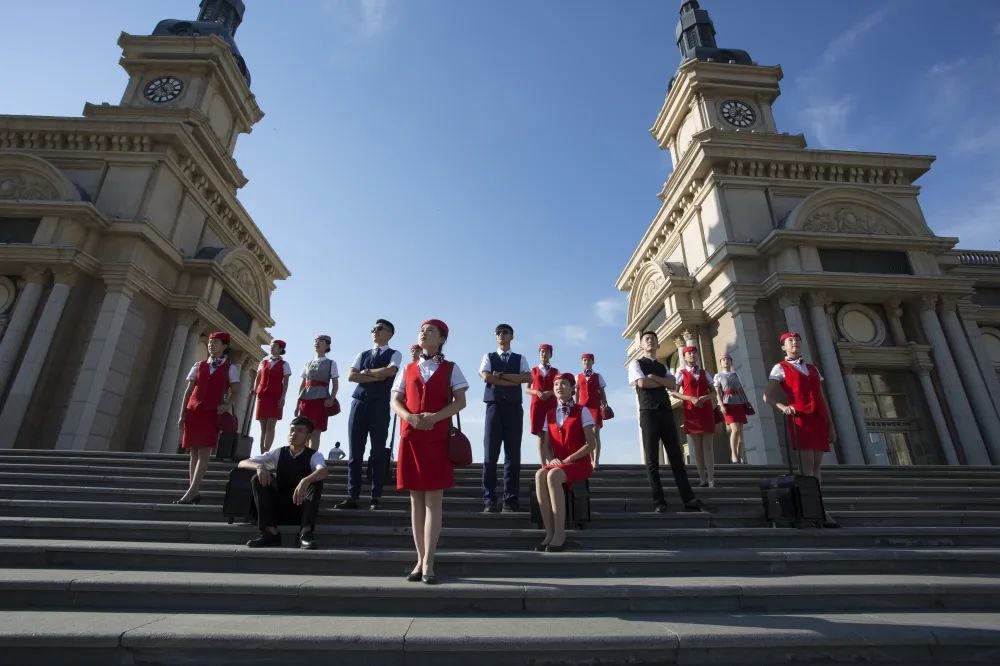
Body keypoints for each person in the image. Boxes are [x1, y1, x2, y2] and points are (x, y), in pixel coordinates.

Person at [392, 319, 468, 584]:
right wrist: (409, 418)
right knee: (416, 501)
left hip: (437, 438)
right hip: (411, 437)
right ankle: (418, 558)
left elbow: (461, 401)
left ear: (442, 339)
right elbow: (396, 400)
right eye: (421, 330)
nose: (424, 333)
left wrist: (435, 417)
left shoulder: (451, 368)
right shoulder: (408, 367)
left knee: (433, 501)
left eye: (430, 330)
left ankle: (429, 561)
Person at [627, 330, 712, 514]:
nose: (650, 341)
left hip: (665, 412)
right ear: (641, 345)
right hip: (649, 413)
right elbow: (642, 384)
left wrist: (656, 379)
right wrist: (663, 382)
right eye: (646, 339)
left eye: (653, 339)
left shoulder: (662, 367)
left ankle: (688, 499)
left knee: (676, 456)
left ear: (657, 344)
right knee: (652, 460)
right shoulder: (636, 364)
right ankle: (659, 501)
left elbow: (673, 384)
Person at [764, 332, 839, 528]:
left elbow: (822, 398)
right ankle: (811, 510)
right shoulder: (780, 368)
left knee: (816, 468)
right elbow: (767, 396)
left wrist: (831, 425)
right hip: (800, 418)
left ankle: (818, 509)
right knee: (806, 468)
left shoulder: (812, 368)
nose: (795, 343)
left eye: (797, 340)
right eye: (790, 341)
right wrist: (783, 407)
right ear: (783, 347)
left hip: (818, 418)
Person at [339, 319, 402, 511]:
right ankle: (353, 495)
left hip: (380, 405)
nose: (375, 331)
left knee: (377, 453)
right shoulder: (363, 353)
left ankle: (375, 496)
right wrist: (376, 375)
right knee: (354, 453)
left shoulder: (395, 354)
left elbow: (390, 371)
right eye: (373, 329)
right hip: (359, 403)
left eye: (380, 329)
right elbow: (351, 376)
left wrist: (366, 373)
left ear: (390, 333)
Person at [239, 416, 329, 549]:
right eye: (292, 430)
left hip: (300, 510)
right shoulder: (279, 452)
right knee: (258, 478)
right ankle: (270, 533)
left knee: (316, 481)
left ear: (308, 436)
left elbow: (324, 471)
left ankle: (305, 534)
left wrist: (306, 480)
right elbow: (242, 463)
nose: (294, 434)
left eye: (299, 431)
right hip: (278, 508)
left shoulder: (314, 455)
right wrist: (259, 467)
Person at [175, 331, 240, 504]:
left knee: (204, 452)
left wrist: (227, 405)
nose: (211, 345)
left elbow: (236, 391)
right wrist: (182, 415)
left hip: (213, 412)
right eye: (210, 342)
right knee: (193, 452)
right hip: (194, 411)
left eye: (216, 342)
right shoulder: (198, 365)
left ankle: (192, 491)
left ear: (224, 346)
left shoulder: (231, 368)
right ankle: (193, 490)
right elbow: (188, 392)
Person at [534, 373, 596, 552]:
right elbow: (545, 445)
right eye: (556, 385)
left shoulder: (581, 410)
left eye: (563, 384)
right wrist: (550, 458)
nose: (559, 387)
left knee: (553, 475)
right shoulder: (550, 413)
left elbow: (590, 443)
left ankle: (560, 534)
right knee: (539, 474)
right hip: (559, 463)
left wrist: (569, 458)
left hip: (579, 463)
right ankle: (549, 533)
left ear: (572, 388)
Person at [479, 323, 532, 513]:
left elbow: (527, 378)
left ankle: (510, 500)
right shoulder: (488, 356)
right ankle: (489, 499)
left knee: (512, 455)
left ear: (512, 336)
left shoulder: (520, 358)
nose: (502, 335)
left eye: (505, 332)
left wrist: (500, 375)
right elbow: (486, 378)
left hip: (513, 408)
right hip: (494, 408)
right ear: (495, 337)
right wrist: (512, 379)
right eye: (499, 333)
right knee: (490, 455)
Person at [670, 345, 717, 487]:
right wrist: (690, 398)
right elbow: (674, 392)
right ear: (684, 357)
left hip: (706, 410)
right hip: (691, 412)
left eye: (694, 353)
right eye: (689, 353)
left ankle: (711, 479)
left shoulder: (704, 373)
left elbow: (714, 391)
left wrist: (706, 397)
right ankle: (702, 478)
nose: (692, 355)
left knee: (708, 446)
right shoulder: (681, 373)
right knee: (697, 448)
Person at [295, 335, 339, 451]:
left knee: (315, 432)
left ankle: (311, 459)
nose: (317, 343)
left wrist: (332, 399)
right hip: (305, 400)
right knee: (303, 431)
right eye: (315, 341)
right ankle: (301, 459)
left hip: (321, 400)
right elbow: (302, 385)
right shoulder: (307, 364)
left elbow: (335, 384)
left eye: (320, 341)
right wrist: (297, 404)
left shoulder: (331, 363)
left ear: (327, 345)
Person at [253, 339, 291, 454]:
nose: (272, 348)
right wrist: (255, 390)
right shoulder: (263, 362)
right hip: (262, 396)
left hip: (275, 396)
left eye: (274, 346)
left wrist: (283, 397)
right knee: (263, 427)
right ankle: (261, 452)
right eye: (271, 346)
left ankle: (266, 452)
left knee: (271, 425)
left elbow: (286, 382)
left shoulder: (285, 364)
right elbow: (258, 378)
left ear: (280, 349)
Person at [713, 353, 749, 464]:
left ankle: (741, 456)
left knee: (741, 433)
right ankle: (734, 455)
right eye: (723, 359)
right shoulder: (718, 376)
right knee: (735, 429)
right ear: (720, 362)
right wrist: (721, 405)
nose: (726, 361)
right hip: (727, 404)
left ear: (731, 361)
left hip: (739, 402)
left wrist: (746, 403)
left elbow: (741, 390)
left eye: (728, 359)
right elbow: (718, 393)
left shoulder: (736, 374)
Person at [576, 353, 609, 470]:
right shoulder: (578, 376)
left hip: (595, 407)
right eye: (584, 360)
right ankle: (590, 459)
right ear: (582, 362)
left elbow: (602, 391)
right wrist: (575, 406)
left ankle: (596, 460)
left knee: (596, 434)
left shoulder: (598, 376)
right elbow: (576, 393)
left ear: (592, 362)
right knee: (586, 435)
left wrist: (604, 403)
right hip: (583, 407)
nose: (586, 362)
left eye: (588, 360)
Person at [525, 343, 558, 436]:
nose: (544, 354)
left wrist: (550, 393)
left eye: (547, 352)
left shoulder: (556, 371)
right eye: (542, 352)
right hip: (537, 405)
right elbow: (526, 389)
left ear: (551, 355)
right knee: (539, 435)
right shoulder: (533, 370)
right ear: (539, 354)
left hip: (551, 405)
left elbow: (559, 389)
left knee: (551, 435)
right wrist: (536, 392)